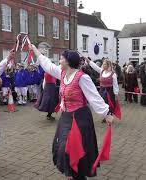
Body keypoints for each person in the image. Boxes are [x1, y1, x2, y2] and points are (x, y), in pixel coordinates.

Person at [29, 44, 113, 180]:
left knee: (76, 148)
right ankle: (71, 171)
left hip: (80, 118)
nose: (59, 61)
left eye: (61, 58)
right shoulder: (61, 73)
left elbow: (94, 97)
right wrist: (34, 50)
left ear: (68, 61)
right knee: (63, 148)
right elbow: (47, 64)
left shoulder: (82, 77)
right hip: (66, 117)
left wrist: (106, 114)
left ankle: (78, 175)